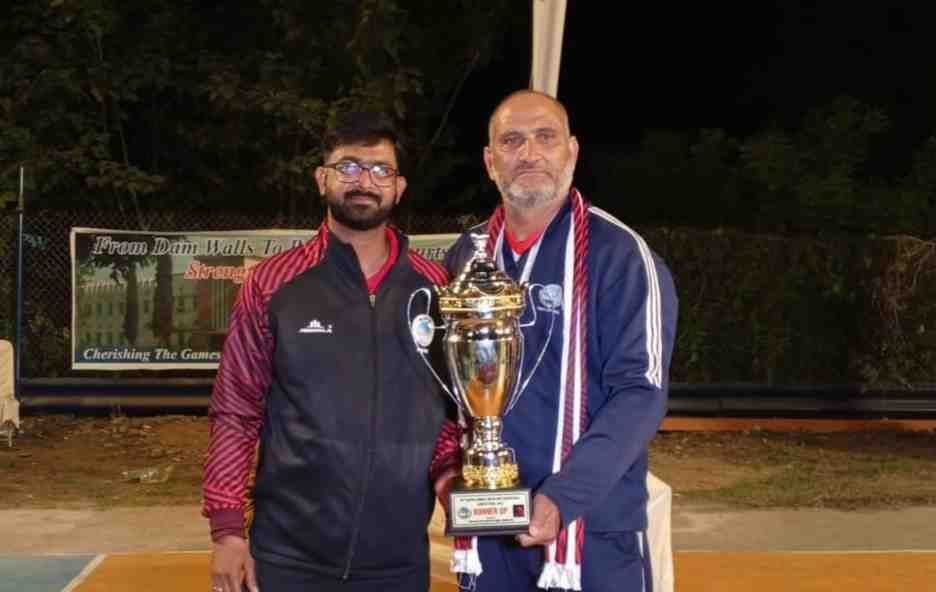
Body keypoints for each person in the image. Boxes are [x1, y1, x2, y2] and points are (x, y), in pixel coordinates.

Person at [433, 90, 679, 592]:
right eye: (512, 141)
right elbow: (440, 385)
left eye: (545, 137)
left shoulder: (622, 256)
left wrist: (564, 496)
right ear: (490, 161)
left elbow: (640, 393)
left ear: (572, 150)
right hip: (489, 530)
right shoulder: (466, 257)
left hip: (592, 529)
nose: (530, 153)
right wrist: (444, 472)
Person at [203, 111, 450, 592]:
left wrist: (453, 485)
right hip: (288, 555)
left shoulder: (436, 288)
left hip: (398, 558)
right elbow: (236, 409)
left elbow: (447, 413)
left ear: (399, 187)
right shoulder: (272, 283)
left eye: (381, 170)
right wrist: (228, 530)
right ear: (322, 179)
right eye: (349, 167)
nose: (365, 181)